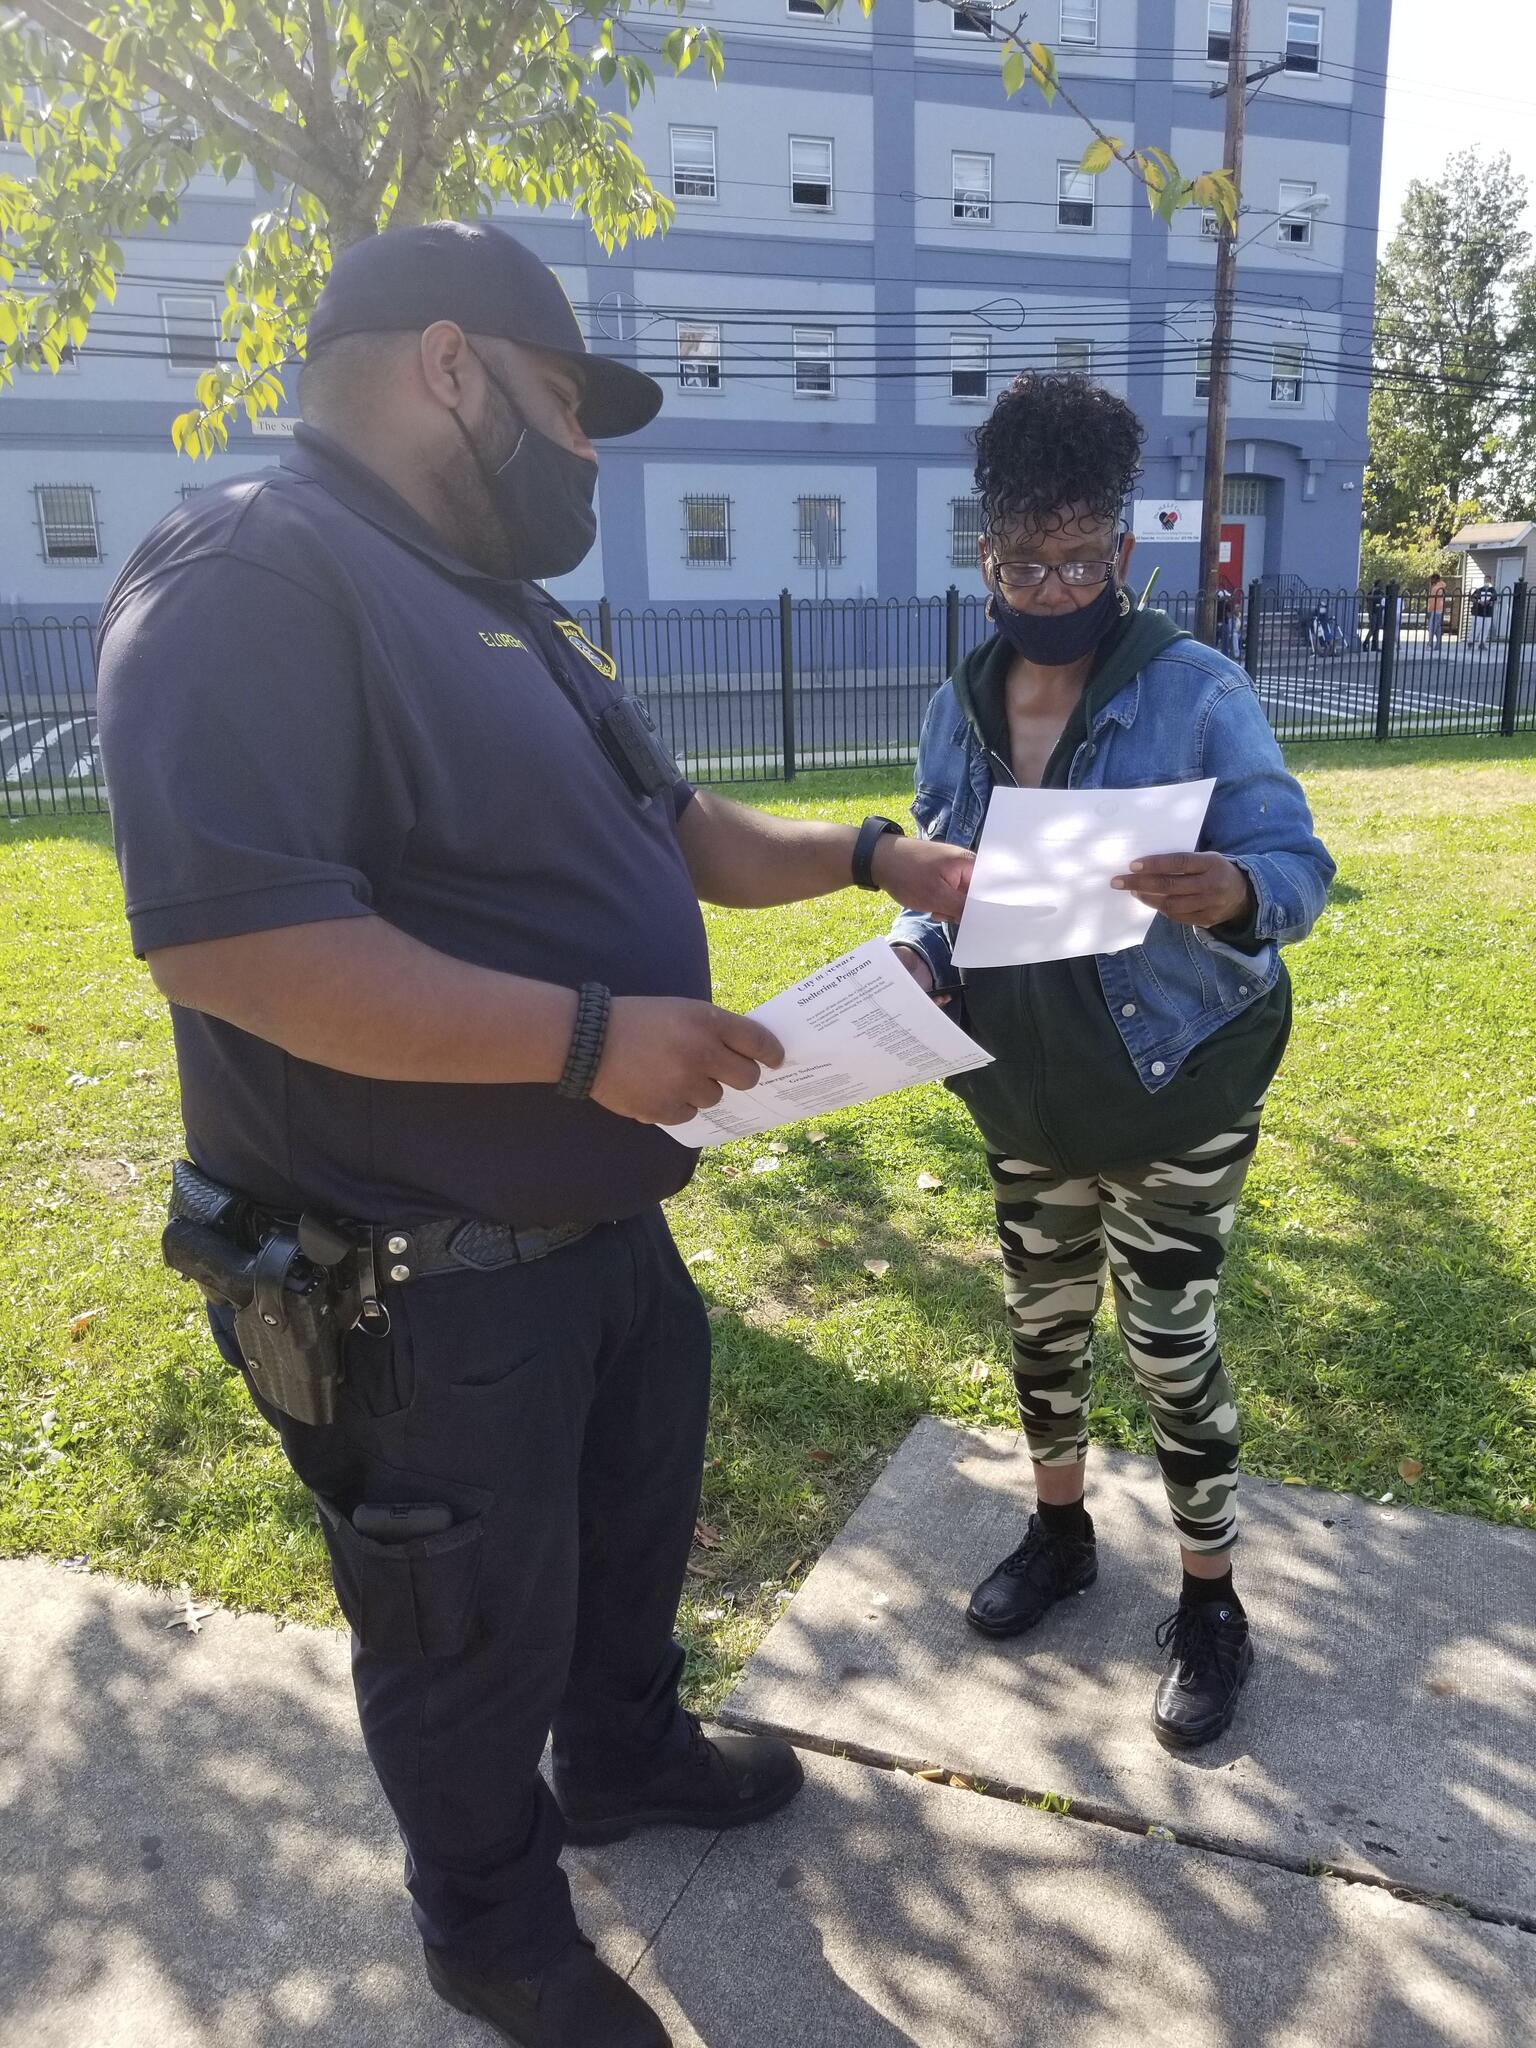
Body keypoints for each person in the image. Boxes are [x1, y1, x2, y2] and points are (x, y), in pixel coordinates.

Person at [94, 222, 972, 2048]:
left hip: (602, 1242)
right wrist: (587, 1039)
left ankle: (631, 1754)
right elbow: (237, 942)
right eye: (568, 406)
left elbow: (677, 825)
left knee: (630, 1534)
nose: (586, 456)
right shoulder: (259, 573)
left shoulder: (500, 600)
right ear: (447, 364)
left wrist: (880, 855)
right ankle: (488, 1924)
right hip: (419, 1288)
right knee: (467, 1635)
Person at [889, 374, 1334, 1754]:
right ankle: (1063, 1531)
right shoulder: (958, 705)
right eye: (1028, 559)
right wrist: (915, 945)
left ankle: (1212, 1603)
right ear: (987, 563)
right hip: (1023, 1087)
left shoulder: (1195, 690)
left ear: (1122, 557)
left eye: (1082, 557)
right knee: (1041, 1329)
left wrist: (1233, 890)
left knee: (1170, 1342)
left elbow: (1298, 865)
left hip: (1172, 1085)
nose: (1055, 581)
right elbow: (941, 870)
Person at [1469, 579, 1497, 648]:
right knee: (1476, 628)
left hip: (1488, 612)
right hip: (1478, 612)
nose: (1487, 582)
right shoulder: (1479, 590)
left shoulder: (1493, 591)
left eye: (1488, 580)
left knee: (1486, 628)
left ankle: (1482, 643)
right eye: (1486, 580)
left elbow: (1495, 599)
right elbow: (1472, 598)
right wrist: (1479, 601)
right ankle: (1471, 642)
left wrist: (1489, 602)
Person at [1362, 579, 1385, 652]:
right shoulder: (1372, 591)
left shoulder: (1381, 592)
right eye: (1380, 584)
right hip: (1373, 612)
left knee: (1377, 629)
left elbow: (1383, 601)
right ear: (1377, 584)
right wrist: (1370, 613)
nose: (1382, 585)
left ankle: (1374, 646)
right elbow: (1369, 601)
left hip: (1379, 612)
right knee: (1372, 628)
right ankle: (1365, 643)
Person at [1426, 572, 1448, 648]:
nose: (1431, 580)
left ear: (1436, 579)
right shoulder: (1441, 586)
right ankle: (1438, 644)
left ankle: (1430, 643)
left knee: (1432, 627)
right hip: (1439, 609)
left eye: (1432, 578)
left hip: (1435, 609)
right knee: (1438, 627)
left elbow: (1433, 600)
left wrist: (1429, 610)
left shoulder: (1436, 587)